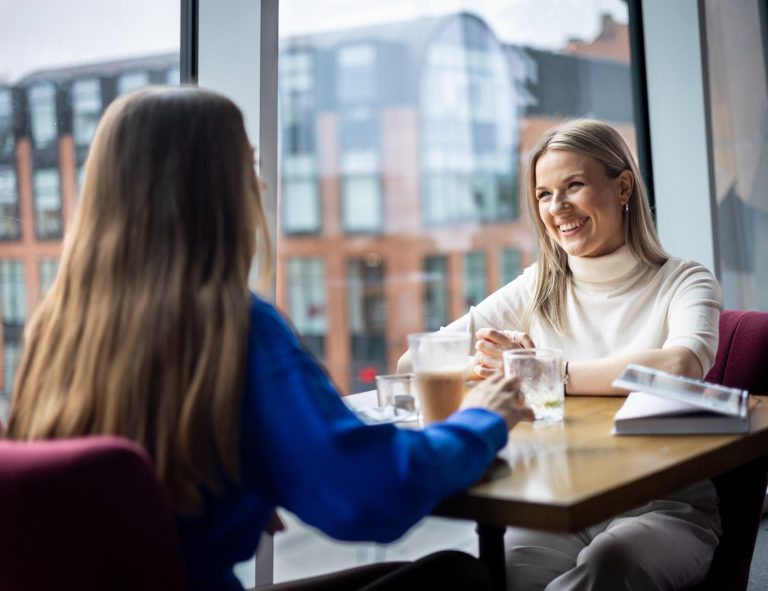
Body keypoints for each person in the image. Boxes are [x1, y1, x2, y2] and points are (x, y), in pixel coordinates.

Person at [3, 87, 534, 591]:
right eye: (248, 167)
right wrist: (480, 418)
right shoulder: (232, 325)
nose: (260, 188)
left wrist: (243, 494)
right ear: (212, 190)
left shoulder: (61, 325)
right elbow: (375, 494)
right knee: (457, 577)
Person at [399, 119, 722, 591]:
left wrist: (544, 373)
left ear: (623, 186)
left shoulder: (685, 281)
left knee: (606, 570)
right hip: (561, 505)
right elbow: (414, 362)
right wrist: (484, 367)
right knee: (500, 575)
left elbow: (679, 365)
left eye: (574, 186)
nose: (557, 207)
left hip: (663, 507)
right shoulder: (538, 285)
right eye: (544, 194)